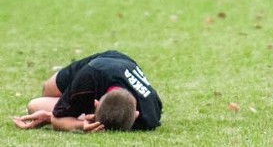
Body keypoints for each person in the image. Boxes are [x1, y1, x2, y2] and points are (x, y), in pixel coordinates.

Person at [12, 50, 162, 132]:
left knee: (34, 105)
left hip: (112, 73)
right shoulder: (89, 77)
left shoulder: (149, 117)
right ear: (95, 104)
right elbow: (58, 120)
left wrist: (78, 124)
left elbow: (57, 119)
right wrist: (64, 119)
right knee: (47, 90)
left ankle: (84, 114)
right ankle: (82, 112)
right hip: (103, 63)